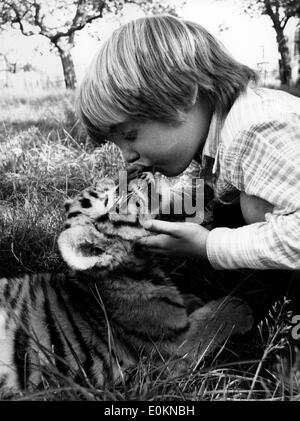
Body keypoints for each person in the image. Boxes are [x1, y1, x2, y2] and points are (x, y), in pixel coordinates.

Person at [76, 14, 300, 271]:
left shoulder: (254, 131)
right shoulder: (206, 136)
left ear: (184, 95)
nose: (126, 157)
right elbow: (198, 190)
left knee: (255, 206)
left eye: (130, 136)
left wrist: (209, 246)